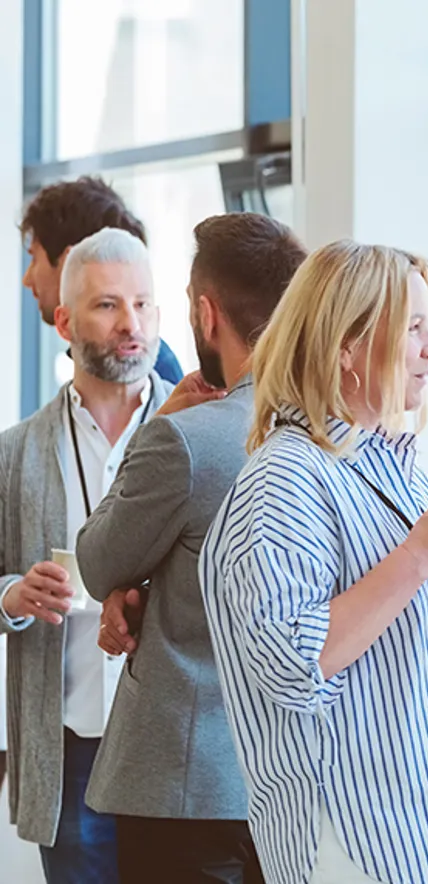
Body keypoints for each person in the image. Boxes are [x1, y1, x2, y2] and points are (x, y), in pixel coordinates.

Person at [200, 240, 428, 884]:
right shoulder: (285, 480)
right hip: (362, 842)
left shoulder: (397, 468)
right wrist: (420, 555)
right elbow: (294, 664)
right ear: (345, 348)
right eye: (413, 327)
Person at [74, 213, 307, 884]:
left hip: (185, 786)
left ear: (206, 314)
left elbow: (98, 562)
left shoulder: (187, 439)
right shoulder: (332, 434)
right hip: (296, 781)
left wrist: (158, 427)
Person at [0, 228, 170, 883]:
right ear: (65, 322)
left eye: (143, 303)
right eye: (107, 305)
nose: (131, 323)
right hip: (70, 752)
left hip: (174, 748)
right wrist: (13, 594)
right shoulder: (16, 453)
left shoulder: (197, 433)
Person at [20, 175, 184, 384]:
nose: (27, 279)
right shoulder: (98, 363)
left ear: (70, 261)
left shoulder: (144, 373)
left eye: (34, 258)